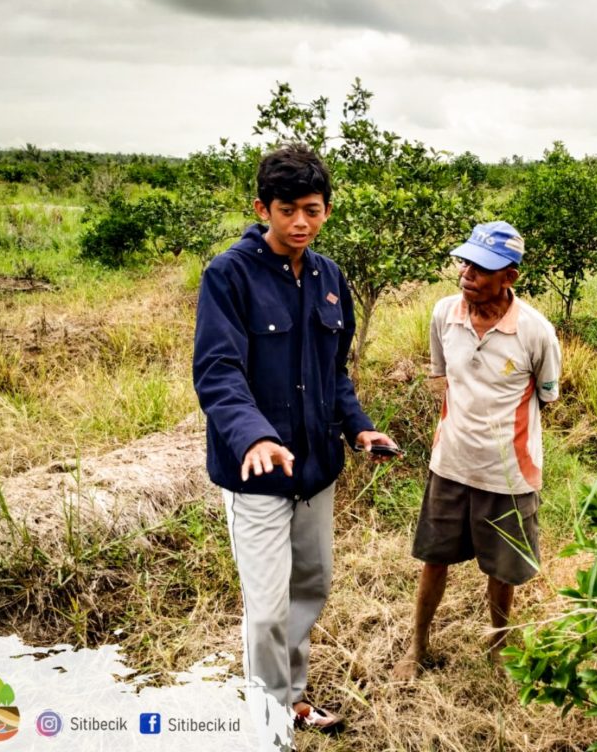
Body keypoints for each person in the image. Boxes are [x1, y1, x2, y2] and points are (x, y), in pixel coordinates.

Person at [193, 144, 399, 748]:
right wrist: (254, 435)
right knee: (266, 609)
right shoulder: (228, 275)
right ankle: (268, 724)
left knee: (310, 586)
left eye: (312, 209)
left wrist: (358, 426)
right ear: (263, 208)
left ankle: (294, 697)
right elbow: (217, 371)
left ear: (327, 211)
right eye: (287, 210)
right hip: (255, 474)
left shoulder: (330, 277)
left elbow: (334, 372)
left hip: (316, 471)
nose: (300, 223)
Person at [392, 221, 561, 680]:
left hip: (508, 473)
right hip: (449, 465)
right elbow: (440, 375)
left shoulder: (536, 332)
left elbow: (547, 397)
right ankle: (417, 646)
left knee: (502, 570)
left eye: (481, 268)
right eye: (465, 262)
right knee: (434, 559)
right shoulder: (444, 314)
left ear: (510, 277)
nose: (467, 274)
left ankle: (500, 647)